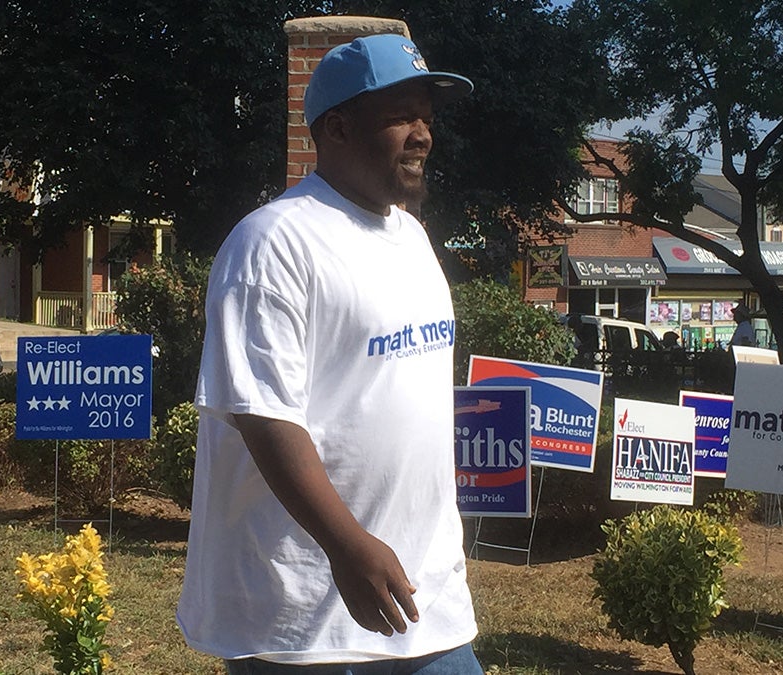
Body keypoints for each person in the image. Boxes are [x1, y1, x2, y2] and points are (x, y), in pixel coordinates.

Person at [177, 34, 481, 673]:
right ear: (337, 128)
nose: (423, 133)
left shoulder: (413, 238)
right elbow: (263, 415)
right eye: (402, 113)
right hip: (307, 618)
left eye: (428, 115)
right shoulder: (273, 243)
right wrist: (349, 548)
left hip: (430, 607)